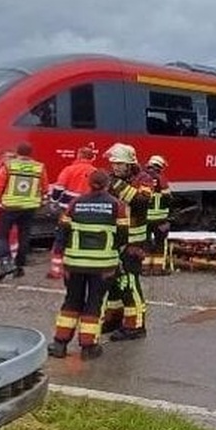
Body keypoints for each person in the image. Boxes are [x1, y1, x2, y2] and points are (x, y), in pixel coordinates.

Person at [46, 169, 129, 360]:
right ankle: (88, 346)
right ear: (108, 184)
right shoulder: (117, 206)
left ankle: (59, 344)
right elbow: (123, 235)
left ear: (89, 184)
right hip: (103, 265)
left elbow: (63, 231)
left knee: (72, 301)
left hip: (74, 263)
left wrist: (60, 256)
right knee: (94, 303)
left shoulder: (76, 203)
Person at [101, 142, 153, 341]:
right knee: (113, 283)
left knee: (129, 283)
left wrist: (118, 185)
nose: (115, 167)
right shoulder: (112, 179)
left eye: (119, 164)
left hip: (134, 241)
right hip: (115, 239)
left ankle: (135, 326)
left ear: (130, 163)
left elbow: (141, 202)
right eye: (113, 163)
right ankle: (114, 319)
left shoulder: (144, 179)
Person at [0, 143, 47, 282]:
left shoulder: (9, 165)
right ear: (30, 153)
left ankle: (5, 262)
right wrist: (42, 202)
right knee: (24, 235)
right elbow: (44, 187)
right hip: (29, 206)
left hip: (9, 206)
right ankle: (19, 265)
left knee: (3, 235)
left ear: (17, 152)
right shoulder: (39, 167)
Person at [47, 142, 98, 278]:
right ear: (92, 157)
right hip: (88, 211)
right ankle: (79, 267)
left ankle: (56, 270)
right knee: (82, 238)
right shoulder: (94, 172)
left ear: (79, 155)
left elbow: (59, 188)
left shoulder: (69, 169)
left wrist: (53, 202)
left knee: (61, 237)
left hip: (67, 211)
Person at [142, 154, 172, 275]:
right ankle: (157, 269)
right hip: (160, 218)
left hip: (144, 217)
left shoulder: (142, 178)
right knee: (160, 243)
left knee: (145, 242)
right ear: (159, 166)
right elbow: (167, 197)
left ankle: (144, 268)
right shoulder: (161, 179)